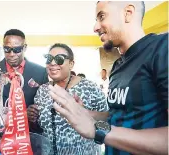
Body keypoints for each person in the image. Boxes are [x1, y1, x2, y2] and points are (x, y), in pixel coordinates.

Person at [48, 1, 168, 155]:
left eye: (102, 16)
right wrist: (86, 113)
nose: (95, 27)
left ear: (128, 13)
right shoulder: (118, 65)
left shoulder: (162, 49)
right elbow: (119, 115)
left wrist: (97, 130)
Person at [34, 43, 109, 155]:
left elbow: (108, 120)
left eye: (59, 59)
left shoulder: (89, 88)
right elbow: (41, 125)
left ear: (71, 64)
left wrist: (86, 113)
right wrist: (32, 116)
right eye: (49, 59)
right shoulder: (43, 90)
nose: (53, 63)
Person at [0, 29, 48, 133]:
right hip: (0, 133)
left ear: (25, 48)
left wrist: (36, 111)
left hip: (30, 134)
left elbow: (45, 106)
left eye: (17, 49)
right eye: (7, 49)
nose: (11, 54)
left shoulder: (40, 72)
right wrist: (21, 114)